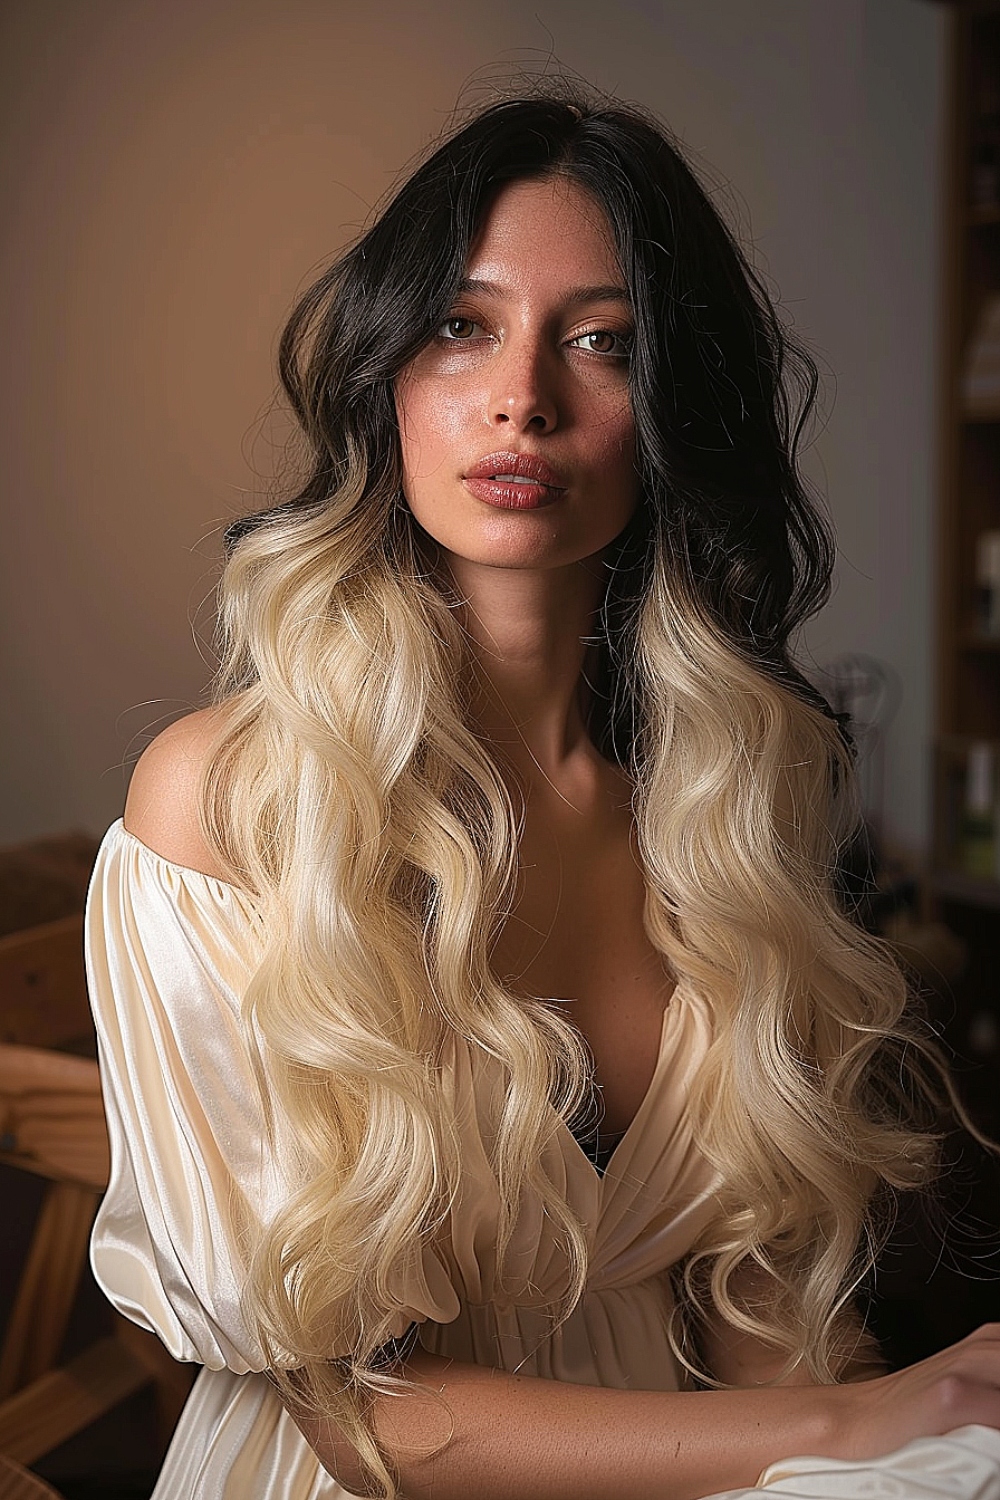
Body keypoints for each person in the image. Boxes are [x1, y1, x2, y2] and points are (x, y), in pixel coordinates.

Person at [85, 87, 1000, 1500]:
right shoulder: (227, 806)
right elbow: (348, 1409)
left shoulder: (733, 806)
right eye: (462, 325)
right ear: (384, 374)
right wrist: (844, 1429)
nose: (524, 396)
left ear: (672, 409)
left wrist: (898, 1436)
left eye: (604, 341)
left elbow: (754, 1318)